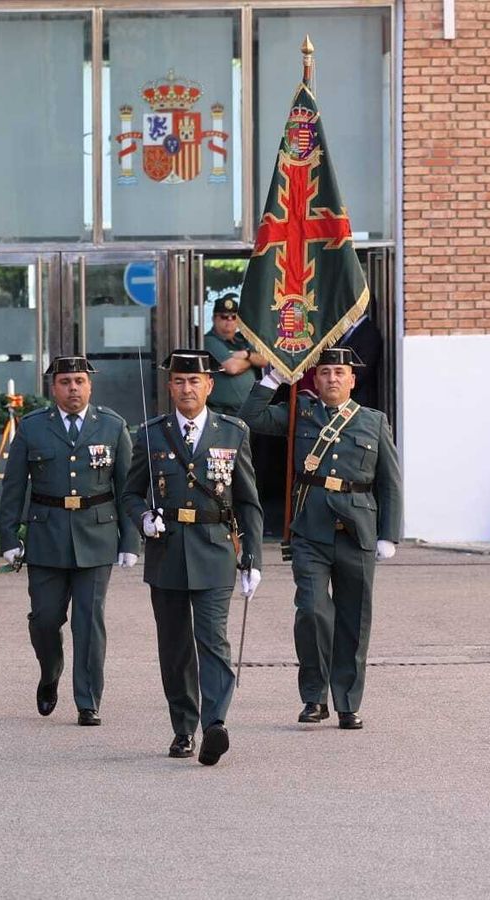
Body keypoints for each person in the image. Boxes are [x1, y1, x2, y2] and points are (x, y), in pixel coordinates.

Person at [240, 348, 402, 729]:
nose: (331, 379)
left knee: (353, 618)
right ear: (315, 378)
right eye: (324, 372)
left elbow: (389, 482)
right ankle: (314, 697)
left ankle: (347, 701)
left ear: (352, 380)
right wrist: (273, 379)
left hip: (356, 530)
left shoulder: (373, 422)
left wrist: (388, 533)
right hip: (309, 528)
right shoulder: (301, 412)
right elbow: (250, 418)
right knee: (312, 612)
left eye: (339, 372)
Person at [124, 351, 263, 765]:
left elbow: (248, 502)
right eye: (180, 381)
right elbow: (130, 492)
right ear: (170, 388)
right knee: (175, 647)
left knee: (213, 641)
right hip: (167, 553)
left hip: (215, 549)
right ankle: (183, 728)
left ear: (209, 386)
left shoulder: (232, 432)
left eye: (195, 381)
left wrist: (252, 558)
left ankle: (215, 723)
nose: (187, 388)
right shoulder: (150, 433)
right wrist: (142, 519)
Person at [0, 356, 137, 726]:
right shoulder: (32, 428)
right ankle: (50, 671)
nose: (73, 388)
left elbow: (127, 488)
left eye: (79, 381)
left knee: (89, 622)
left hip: (97, 535)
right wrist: (9, 535)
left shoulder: (111, 425)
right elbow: (14, 486)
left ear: (90, 386)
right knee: (45, 619)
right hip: (47, 535)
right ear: (52, 388)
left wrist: (130, 541)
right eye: (65, 382)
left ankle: (87, 700)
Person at [203, 296, 263, 415]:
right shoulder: (209, 340)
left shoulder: (242, 339)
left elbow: (264, 360)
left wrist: (246, 354)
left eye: (233, 317)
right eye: (224, 317)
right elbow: (232, 368)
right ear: (214, 319)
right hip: (223, 413)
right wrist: (251, 360)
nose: (229, 320)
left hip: (248, 411)